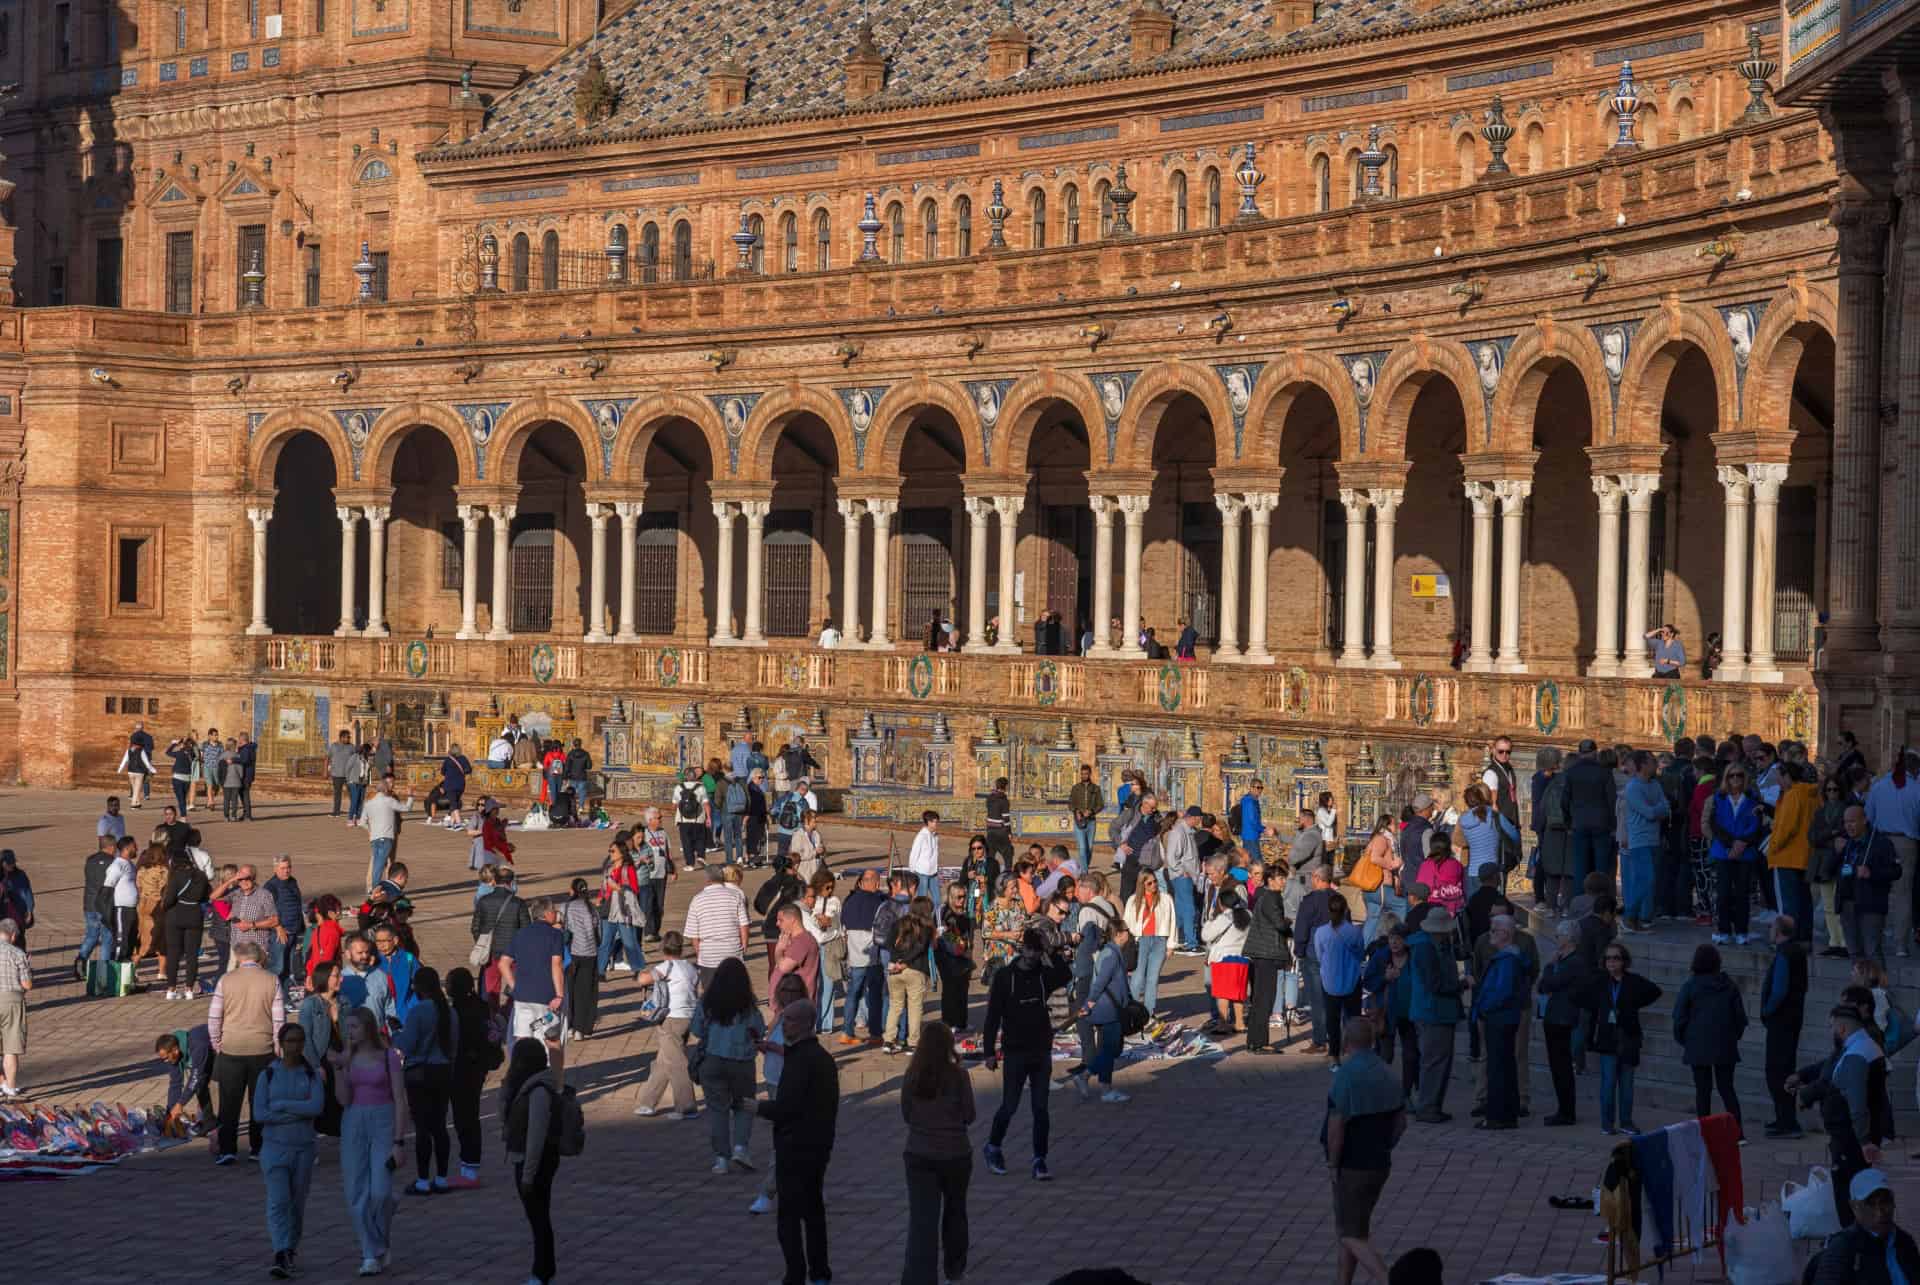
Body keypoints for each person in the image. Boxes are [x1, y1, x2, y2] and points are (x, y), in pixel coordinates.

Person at [757, 998, 838, 1285]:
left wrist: (755, 1107)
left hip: (795, 1147)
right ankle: (819, 1273)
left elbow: (786, 1108)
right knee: (813, 1213)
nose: (784, 1024)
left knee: (789, 1218)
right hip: (817, 1147)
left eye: (789, 1020)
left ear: (805, 1024)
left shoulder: (800, 1060)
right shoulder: (822, 1059)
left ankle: (796, 1274)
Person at [1792, 1002, 1892, 1232]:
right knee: (1858, 1186)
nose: (1831, 1033)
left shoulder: (1857, 1053)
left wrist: (1865, 1140)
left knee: (1848, 1188)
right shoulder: (1862, 1046)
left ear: (1843, 1029)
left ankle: (1854, 1236)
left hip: (1850, 1138)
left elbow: (1856, 1102)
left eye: (1832, 1027)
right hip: (1853, 1134)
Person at [1323, 1016, 1407, 1285]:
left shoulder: (1345, 1076)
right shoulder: (1387, 1072)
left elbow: (1336, 1128)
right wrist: (1385, 1146)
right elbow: (1401, 1123)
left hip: (1352, 1164)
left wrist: (1333, 1165)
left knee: (1349, 1233)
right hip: (1380, 1163)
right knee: (1354, 1228)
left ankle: (1388, 1279)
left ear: (1346, 1043)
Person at [982, 928, 1071, 1181]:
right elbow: (992, 1017)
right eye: (1029, 949)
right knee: (1009, 1105)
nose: (1032, 955)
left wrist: (1052, 951)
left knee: (1040, 1108)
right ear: (1022, 949)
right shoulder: (1005, 977)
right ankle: (993, 1146)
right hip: (1015, 1050)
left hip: (1040, 1049)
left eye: (1037, 950)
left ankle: (1039, 1159)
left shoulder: (1043, 974)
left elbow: (1065, 975)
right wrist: (989, 1051)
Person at [332, 1006, 406, 1277]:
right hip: (353, 1122)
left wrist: (399, 1141)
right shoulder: (347, 1058)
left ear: (368, 1028)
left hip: (383, 1120)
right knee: (356, 1191)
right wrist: (340, 1067)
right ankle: (369, 1252)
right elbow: (343, 1100)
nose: (350, 1032)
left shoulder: (388, 1057)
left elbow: (400, 1099)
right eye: (347, 1027)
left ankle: (378, 1243)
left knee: (381, 1191)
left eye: (355, 1027)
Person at [901, 1021, 975, 1285]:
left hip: (919, 1153)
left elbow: (907, 1114)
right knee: (956, 1212)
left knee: (922, 1220)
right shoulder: (959, 1076)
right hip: (955, 1153)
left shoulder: (912, 1076)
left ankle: (919, 1277)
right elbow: (970, 1114)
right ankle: (955, 1271)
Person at [255, 1021, 325, 1279]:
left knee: (296, 1203)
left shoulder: (311, 1074)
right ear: (281, 1044)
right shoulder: (268, 1074)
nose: (294, 1046)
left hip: (303, 1148)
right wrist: (296, 1111)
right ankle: (280, 1251)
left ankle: (291, 1248)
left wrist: (283, 1106)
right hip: (274, 1148)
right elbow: (260, 1113)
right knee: (278, 1201)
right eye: (290, 1041)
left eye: (298, 1041)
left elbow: (316, 1107)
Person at [210, 941, 287, 1163]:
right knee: (260, 1101)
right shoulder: (272, 980)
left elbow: (215, 1018)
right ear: (260, 957)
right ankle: (258, 1147)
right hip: (262, 1049)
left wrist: (217, 1044)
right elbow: (279, 1020)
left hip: (231, 1047)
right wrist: (277, 1047)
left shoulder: (226, 980)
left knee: (229, 1103)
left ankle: (227, 1150)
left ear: (237, 957)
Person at [1575, 941, 1661, 1136]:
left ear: (1624, 961)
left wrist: (1632, 1006)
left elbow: (1655, 991)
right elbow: (1580, 996)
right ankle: (1607, 1122)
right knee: (1608, 1082)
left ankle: (1626, 1121)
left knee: (1627, 1083)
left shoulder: (1633, 981)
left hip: (1629, 1037)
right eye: (1608, 958)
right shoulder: (1599, 981)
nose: (1611, 962)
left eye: (1616, 958)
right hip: (1607, 1038)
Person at [692, 955, 765, 1174]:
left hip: (713, 1060)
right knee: (744, 1106)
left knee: (717, 1110)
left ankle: (721, 1158)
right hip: (742, 1062)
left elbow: (696, 1029)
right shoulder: (748, 1004)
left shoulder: (708, 1001)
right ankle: (741, 1147)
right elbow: (759, 1030)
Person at [502, 1035, 566, 1285]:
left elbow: (536, 1138)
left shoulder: (538, 1091)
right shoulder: (524, 1086)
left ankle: (542, 1272)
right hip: (529, 1158)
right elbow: (501, 1114)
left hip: (536, 1161)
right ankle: (544, 1269)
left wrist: (528, 1174)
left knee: (539, 1218)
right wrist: (508, 1084)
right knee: (538, 1216)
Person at [394, 966, 456, 1195]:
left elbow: (406, 1046)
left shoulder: (419, 1011)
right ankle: (441, 1178)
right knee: (440, 1126)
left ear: (419, 988)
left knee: (422, 1128)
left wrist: (396, 1033)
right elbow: (454, 1045)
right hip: (443, 1071)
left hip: (419, 1072)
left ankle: (422, 1179)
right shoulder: (449, 1012)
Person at [631, 931, 701, 1119]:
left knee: (676, 1063)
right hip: (688, 1017)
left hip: (671, 1018)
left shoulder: (666, 967)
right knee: (664, 1060)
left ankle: (686, 1107)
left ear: (663, 948)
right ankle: (647, 1102)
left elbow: (643, 980)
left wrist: (642, 971)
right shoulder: (691, 967)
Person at [1469, 914, 1529, 1130]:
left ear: (1505, 934)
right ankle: (1507, 1113)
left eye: (1494, 930)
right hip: (1503, 1016)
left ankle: (1497, 1115)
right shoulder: (1509, 958)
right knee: (1504, 1065)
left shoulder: (1507, 960)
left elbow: (1501, 992)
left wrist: (1484, 1007)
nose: (1490, 934)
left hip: (1499, 1018)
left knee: (1498, 1067)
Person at [1808, 1169, 1920, 1285]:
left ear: (1893, 1203)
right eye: (1870, 1203)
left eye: (1885, 1201)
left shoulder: (1905, 1242)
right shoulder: (1842, 1249)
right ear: (1854, 1207)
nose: (1880, 1212)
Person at [1408, 906, 1466, 1124]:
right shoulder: (1426, 948)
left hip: (1436, 1011)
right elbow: (1435, 984)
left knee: (1438, 1061)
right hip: (1433, 1012)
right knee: (1435, 1062)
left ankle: (1431, 1105)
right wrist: (1460, 984)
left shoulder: (1431, 945)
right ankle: (1427, 1106)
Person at [1535, 920, 1592, 1126]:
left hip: (1562, 1018)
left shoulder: (1574, 962)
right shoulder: (1566, 960)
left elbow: (1549, 983)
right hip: (1555, 1016)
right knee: (1557, 1065)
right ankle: (1564, 1109)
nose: (1557, 938)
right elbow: (1542, 986)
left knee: (1561, 1066)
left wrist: (1550, 966)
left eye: (1559, 935)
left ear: (1569, 938)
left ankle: (1566, 1112)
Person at [444, 968, 497, 1188]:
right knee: (471, 1118)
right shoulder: (481, 1007)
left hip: (461, 1071)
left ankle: (469, 1169)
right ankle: (470, 1167)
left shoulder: (456, 1012)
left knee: (464, 1120)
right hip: (477, 1070)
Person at [1071, 920, 1134, 1103]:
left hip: (1110, 1009)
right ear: (1119, 934)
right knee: (1110, 1050)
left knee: (1110, 1049)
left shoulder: (1113, 952)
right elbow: (1099, 984)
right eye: (1126, 931)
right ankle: (1090, 1079)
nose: (1128, 934)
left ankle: (1102, 1086)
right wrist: (1088, 1004)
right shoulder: (1110, 955)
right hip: (1108, 1011)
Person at [1760, 915, 1809, 1138]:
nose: (1769, 930)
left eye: (1771, 926)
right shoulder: (1798, 952)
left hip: (1781, 1019)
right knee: (1785, 1068)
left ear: (1779, 931)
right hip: (1793, 1017)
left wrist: (1767, 1010)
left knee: (1776, 1070)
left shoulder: (1784, 954)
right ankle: (1785, 1119)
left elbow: (1779, 989)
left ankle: (1787, 1121)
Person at [1838, 803, 1902, 966]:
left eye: (1852, 821)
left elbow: (1896, 871)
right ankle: (1861, 989)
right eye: (1846, 822)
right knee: (1854, 952)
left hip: (1871, 904)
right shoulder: (1847, 844)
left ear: (1864, 820)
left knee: (1872, 951)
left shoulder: (1881, 843)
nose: (1848, 826)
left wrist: (1871, 873)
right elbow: (1838, 870)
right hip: (1847, 903)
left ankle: (1879, 990)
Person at [1707, 763, 1764, 945]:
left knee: (1742, 893)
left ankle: (1741, 930)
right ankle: (1724, 930)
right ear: (1726, 778)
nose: (1736, 779)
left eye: (1739, 775)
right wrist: (1731, 843)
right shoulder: (1719, 797)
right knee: (1723, 892)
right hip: (1724, 851)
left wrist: (1742, 843)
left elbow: (1756, 823)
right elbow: (1714, 824)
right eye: (1731, 776)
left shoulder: (1753, 798)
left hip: (1745, 852)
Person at [500, 897, 567, 1043]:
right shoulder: (555, 935)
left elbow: (503, 963)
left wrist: (514, 986)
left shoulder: (520, 934)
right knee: (551, 1038)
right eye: (554, 910)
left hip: (522, 997)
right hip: (546, 998)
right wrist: (560, 995)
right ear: (547, 913)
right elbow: (556, 965)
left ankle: (521, 1064)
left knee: (523, 1037)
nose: (556, 913)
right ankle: (551, 1066)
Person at [1619, 751, 1671, 933]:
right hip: (1639, 840)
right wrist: (1658, 809)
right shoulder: (1633, 788)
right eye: (1652, 761)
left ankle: (1637, 918)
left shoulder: (1655, 784)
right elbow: (1650, 812)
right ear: (1642, 765)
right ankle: (1629, 916)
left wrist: (1657, 809)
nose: (1656, 764)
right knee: (1646, 879)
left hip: (1653, 838)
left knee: (1648, 880)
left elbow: (1667, 808)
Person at [1315, 893, 1368, 1065]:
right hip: (1352, 979)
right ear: (1346, 910)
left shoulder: (1321, 932)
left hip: (1329, 980)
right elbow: (1361, 954)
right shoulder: (1354, 932)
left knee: (1332, 1019)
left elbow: (1319, 956)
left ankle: (1334, 1054)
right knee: (1353, 1019)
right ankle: (1354, 1051)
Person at [685, 863, 751, 986]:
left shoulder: (697, 899)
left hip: (708, 955)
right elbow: (744, 925)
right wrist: (744, 947)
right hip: (732, 952)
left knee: (710, 993)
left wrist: (700, 953)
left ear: (707, 879)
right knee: (734, 990)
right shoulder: (736, 896)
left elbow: (694, 934)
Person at [886, 896, 935, 1055]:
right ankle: (913, 1043)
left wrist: (896, 960)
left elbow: (888, 943)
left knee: (895, 1006)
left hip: (895, 970)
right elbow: (920, 948)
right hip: (915, 969)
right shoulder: (926, 926)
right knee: (915, 1008)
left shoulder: (900, 922)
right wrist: (905, 961)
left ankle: (888, 1041)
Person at [1124, 870, 1176, 1018]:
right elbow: (1126, 923)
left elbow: (1173, 922)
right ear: (1142, 884)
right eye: (1149, 883)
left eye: (1155, 881)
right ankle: (1131, 1010)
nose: (1154, 885)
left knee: (1153, 979)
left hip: (1160, 940)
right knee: (1137, 977)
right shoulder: (1133, 900)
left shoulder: (1166, 899)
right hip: (1140, 940)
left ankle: (1148, 1013)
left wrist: (1171, 945)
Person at [560, 878, 601, 1038]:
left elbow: (561, 927)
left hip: (572, 953)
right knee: (586, 992)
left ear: (573, 890)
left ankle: (569, 1025)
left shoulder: (565, 907)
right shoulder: (592, 908)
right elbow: (600, 933)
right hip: (590, 954)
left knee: (569, 990)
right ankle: (581, 1029)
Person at [358, 780, 413, 894]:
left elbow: (362, 822)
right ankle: (374, 889)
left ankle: (374, 887)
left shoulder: (369, 803)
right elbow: (407, 808)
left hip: (374, 838)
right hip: (386, 837)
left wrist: (371, 830)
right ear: (385, 790)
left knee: (377, 862)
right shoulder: (389, 801)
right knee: (380, 863)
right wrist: (410, 796)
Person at [0, 918, 27, 1097]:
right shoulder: (18, 953)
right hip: (12, 1000)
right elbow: (27, 984)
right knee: (11, 1046)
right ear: (14, 935)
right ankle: (9, 1086)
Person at [1069, 765, 1103, 873]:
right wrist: (1076, 811)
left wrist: (1092, 811)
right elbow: (1071, 804)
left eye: (1086, 774)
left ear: (1090, 774)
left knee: (1089, 848)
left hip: (1091, 822)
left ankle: (1085, 867)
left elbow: (1100, 804)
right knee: (1082, 848)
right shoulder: (1075, 788)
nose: (1084, 776)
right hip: (1079, 822)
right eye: (1082, 773)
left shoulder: (1096, 789)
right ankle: (1084, 872)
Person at [908, 809, 942, 900]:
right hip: (922, 872)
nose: (936, 824)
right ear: (928, 822)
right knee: (922, 898)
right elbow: (914, 854)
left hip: (933, 872)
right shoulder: (921, 836)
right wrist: (912, 871)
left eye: (936, 821)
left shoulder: (935, 836)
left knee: (937, 899)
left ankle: (937, 914)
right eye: (934, 822)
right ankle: (921, 914)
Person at [437, 744, 473, 830]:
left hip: (450, 785)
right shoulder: (463, 758)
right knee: (455, 802)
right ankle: (452, 823)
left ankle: (459, 823)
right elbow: (469, 770)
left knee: (453, 803)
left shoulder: (448, 760)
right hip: (461, 784)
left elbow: (442, 772)